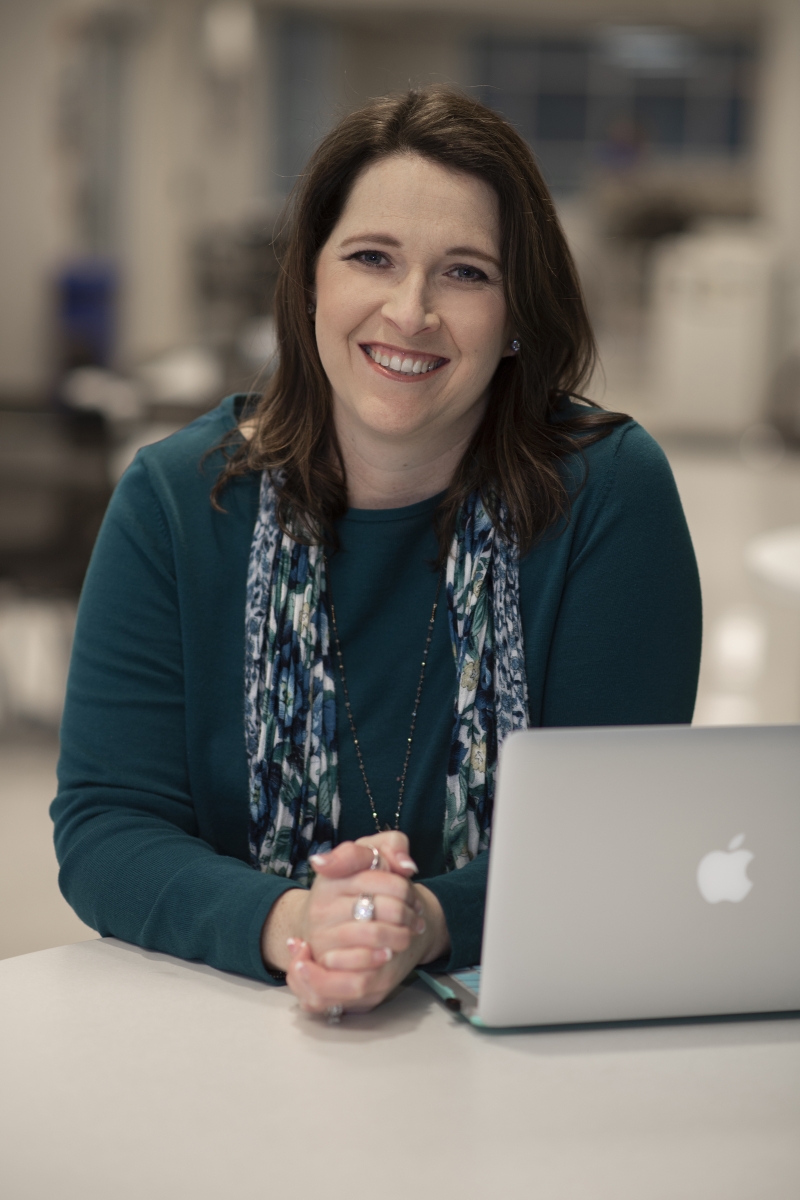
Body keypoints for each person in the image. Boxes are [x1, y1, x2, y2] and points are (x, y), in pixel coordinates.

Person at [52, 87, 701, 1016]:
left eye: (467, 273)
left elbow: (618, 834)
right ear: (312, 278)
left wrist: (423, 921)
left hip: (521, 1038)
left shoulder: (606, 494)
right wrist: (301, 925)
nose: (410, 310)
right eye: (371, 258)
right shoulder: (178, 500)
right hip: (231, 1037)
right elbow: (108, 826)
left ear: (519, 312)